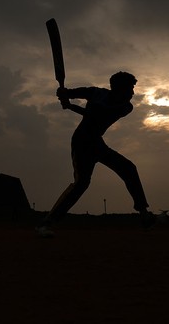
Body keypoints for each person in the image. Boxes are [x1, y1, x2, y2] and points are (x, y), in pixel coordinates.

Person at [37, 71, 154, 237]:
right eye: (130, 88)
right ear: (119, 88)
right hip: (82, 142)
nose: (132, 93)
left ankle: (144, 215)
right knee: (81, 183)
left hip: (97, 144)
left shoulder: (126, 107)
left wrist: (69, 105)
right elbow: (72, 93)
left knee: (128, 169)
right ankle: (46, 223)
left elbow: (95, 115)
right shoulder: (95, 92)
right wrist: (64, 94)